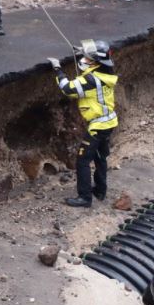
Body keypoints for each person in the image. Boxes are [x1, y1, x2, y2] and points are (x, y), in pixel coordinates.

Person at [48, 39, 119, 208]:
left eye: (87, 58)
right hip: (109, 122)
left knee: (82, 160)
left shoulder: (91, 80)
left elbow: (68, 89)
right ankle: (100, 190)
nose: (84, 60)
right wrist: (82, 50)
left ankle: (85, 197)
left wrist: (58, 69)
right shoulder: (105, 73)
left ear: (95, 61)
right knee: (101, 157)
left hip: (98, 126)